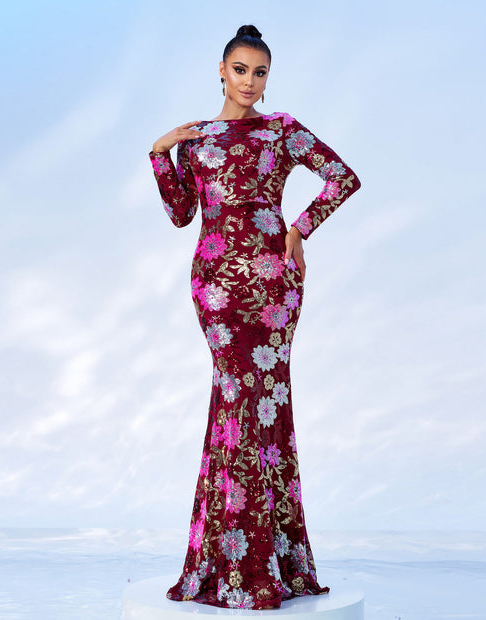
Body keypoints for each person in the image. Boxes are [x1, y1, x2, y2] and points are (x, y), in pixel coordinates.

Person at [148, 24, 361, 610]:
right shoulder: (197, 139)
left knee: (264, 405)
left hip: (272, 283)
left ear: (268, 78)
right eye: (240, 70)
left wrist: (300, 228)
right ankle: (233, 562)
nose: (249, 81)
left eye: (259, 72)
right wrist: (161, 154)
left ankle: (264, 562)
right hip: (216, 284)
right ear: (221, 71)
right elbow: (180, 214)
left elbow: (344, 178)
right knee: (235, 402)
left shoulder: (281, 129)